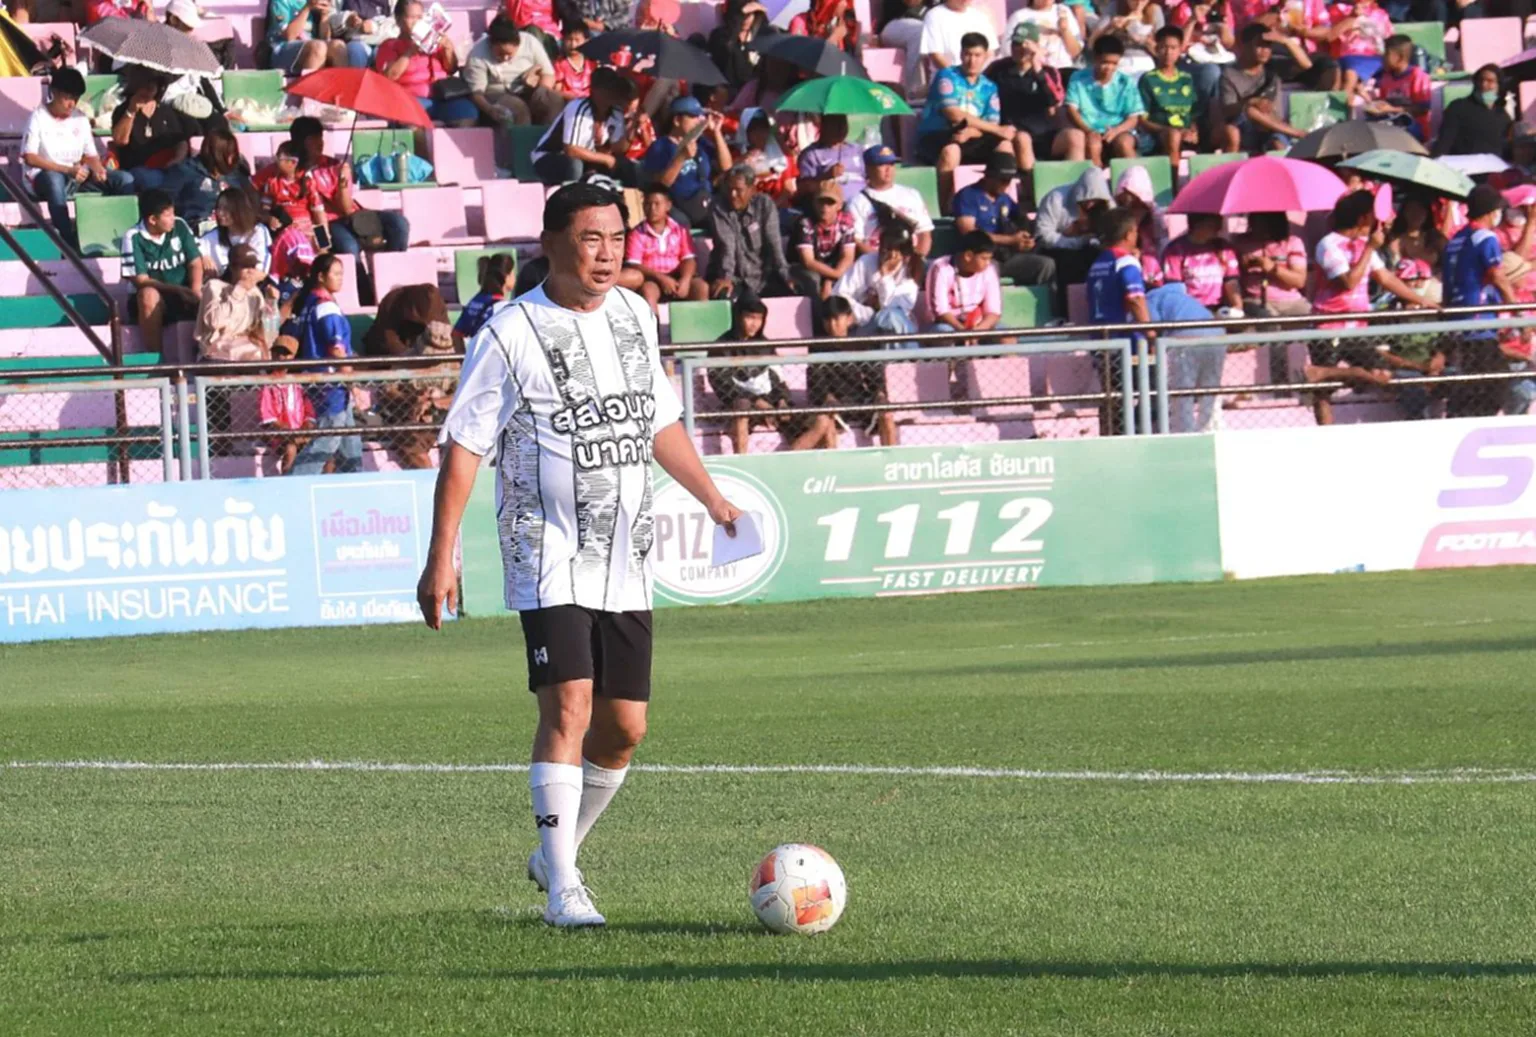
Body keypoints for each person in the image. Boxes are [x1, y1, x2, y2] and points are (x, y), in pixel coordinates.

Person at [416, 182, 743, 929]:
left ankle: (556, 852)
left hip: (627, 555)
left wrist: (713, 498)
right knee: (569, 704)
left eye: (617, 238)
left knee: (624, 729)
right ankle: (565, 886)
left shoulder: (635, 314)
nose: (607, 253)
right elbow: (464, 448)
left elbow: (658, 421)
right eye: (591, 238)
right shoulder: (509, 332)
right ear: (552, 243)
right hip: (548, 549)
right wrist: (443, 556)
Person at [1305, 189, 1435, 423]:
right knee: (1323, 394)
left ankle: (1324, 372)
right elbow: (1348, 282)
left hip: (1357, 327)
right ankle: (1326, 434)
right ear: (1363, 217)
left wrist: (1421, 300)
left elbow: (1385, 278)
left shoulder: (1364, 245)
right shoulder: (1328, 244)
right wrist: (1369, 249)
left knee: (1381, 373)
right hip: (1329, 325)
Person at [708, 293, 835, 453]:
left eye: (759, 319)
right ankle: (742, 461)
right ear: (738, 316)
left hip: (772, 403)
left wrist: (782, 400)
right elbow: (724, 387)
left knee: (823, 420)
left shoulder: (765, 345)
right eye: (750, 317)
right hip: (743, 406)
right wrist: (757, 402)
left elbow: (778, 378)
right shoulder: (720, 347)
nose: (755, 324)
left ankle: (785, 460)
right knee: (742, 406)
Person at [21, 68, 131, 250]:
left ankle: (121, 235)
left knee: (124, 179)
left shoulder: (80, 118)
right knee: (54, 179)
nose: (72, 104)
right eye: (67, 98)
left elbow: (91, 155)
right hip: (44, 178)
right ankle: (68, 240)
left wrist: (98, 169)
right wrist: (67, 170)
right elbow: (29, 157)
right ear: (54, 92)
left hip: (76, 176)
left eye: (76, 99)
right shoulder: (38, 117)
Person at [917, 32, 1028, 208]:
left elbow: (991, 123)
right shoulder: (947, 76)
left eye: (977, 55)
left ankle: (1001, 204)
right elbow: (953, 114)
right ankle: (943, 208)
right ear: (961, 55)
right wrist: (997, 130)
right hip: (938, 135)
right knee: (951, 151)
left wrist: (971, 132)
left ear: (985, 56)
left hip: (971, 137)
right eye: (968, 54)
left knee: (1005, 146)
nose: (972, 60)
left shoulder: (989, 86)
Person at [291, 116, 412, 258]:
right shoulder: (291, 174)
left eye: (320, 137)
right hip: (327, 223)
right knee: (349, 247)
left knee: (399, 223)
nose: (320, 143)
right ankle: (359, 273)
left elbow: (347, 209)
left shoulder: (335, 165)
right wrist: (323, 243)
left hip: (353, 216)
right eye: (313, 140)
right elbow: (314, 217)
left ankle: (391, 267)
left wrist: (342, 185)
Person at [289, 253, 362, 475]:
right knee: (328, 439)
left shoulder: (308, 303)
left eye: (342, 274)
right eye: (336, 274)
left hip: (321, 379)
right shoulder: (326, 307)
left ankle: (355, 481)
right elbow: (336, 348)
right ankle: (294, 482)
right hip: (331, 382)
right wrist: (353, 384)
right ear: (321, 276)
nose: (340, 278)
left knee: (350, 441)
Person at [951, 151, 1056, 288]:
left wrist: (1026, 240)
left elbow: (1022, 219)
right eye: (1003, 180)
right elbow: (969, 232)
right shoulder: (968, 196)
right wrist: (1010, 240)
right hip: (979, 257)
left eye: (1009, 180)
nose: (1006, 184)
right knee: (987, 268)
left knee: (1046, 265)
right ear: (989, 176)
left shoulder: (1004, 198)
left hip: (1005, 256)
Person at [122, 190, 203, 359]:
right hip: (156, 298)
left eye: (173, 213)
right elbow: (141, 280)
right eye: (168, 215)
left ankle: (209, 356)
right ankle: (157, 361)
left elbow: (195, 262)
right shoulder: (133, 237)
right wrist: (176, 289)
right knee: (148, 295)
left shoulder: (179, 225)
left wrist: (195, 290)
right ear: (152, 219)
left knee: (213, 289)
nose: (173, 218)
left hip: (185, 293)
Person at [807, 295, 898, 445]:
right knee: (828, 419)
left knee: (887, 415)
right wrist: (828, 399)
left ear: (849, 319)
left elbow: (875, 378)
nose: (832, 324)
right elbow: (818, 385)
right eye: (827, 320)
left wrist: (880, 395)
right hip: (836, 405)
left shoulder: (860, 345)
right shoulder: (817, 349)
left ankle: (892, 457)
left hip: (862, 403)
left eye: (837, 319)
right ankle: (832, 459)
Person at [987, 23, 1080, 168]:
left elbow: (1055, 100)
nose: (1018, 49)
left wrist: (1037, 67)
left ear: (1035, 46)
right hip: (1015, 132)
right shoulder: (998, 69)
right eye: (1015, 44)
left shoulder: (1049, 72)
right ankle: (1032, 180)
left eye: (1024, 45)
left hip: (1045, 133)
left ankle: (1075, 180)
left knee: (1076, 137)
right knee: (1023, 138)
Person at [531, 66, 639, 186]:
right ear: (595, 90)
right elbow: (571, 150)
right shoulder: (577, 107)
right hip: (551, 157)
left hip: (588, 160)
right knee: (575, 165)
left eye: (613, 88)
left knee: (627, 166)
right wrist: (606, 159)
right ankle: (573, 195)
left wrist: (632, 127)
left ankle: (630, 196)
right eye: (607, 89)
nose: (611, 93)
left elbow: (618, 149)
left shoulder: (616, 112)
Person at [376, 0, 476, 126]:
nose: (417, 22)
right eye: (412, 18)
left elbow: (451, 69)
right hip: (412, 100)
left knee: (468, 113)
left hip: (443, 96)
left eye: (420, 18)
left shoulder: (434, 42)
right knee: (411, 121)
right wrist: (409, 52)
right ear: (399, 21)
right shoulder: (390, 45)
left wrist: (448, 49)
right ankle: (422, 139)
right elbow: (389, 77)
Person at [1147, 280, 1226, 432]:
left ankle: (1183, 431)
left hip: (1186, 337)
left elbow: (1152, 328)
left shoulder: (1151, 299)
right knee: (1211, 387)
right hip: (1217, 333)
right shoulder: (1182, 297)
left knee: (1182, 390)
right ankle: (1213, 428)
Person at [1213, 24, 1304, 154]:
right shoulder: (1230, 74)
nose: (1265, 51)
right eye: (1260, 46)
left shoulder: (1273, 67)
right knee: (1250, 110)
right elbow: (1228, 109)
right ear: (1244, 46)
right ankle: (1297, 133)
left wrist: (1286, 41)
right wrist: (1251, 102)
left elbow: (1307, 66)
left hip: (1273, 125)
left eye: (1268, 46)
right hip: (1246, 128)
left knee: (1278, 144)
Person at [706, 166, 795, 299]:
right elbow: (727, 246)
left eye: (738, 190)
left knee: (797, 288)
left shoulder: (765, 204)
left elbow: (774, 244)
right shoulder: (717, 206)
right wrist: (726, 277)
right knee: (723, 293)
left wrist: (786, 276)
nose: (733, 195)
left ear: (752, 190)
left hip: (762, 275)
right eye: (729, 189)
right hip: (732, 276)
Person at [643, 96, 732, 228]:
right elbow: (661, 185)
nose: (699, 120)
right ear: (677, 120)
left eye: (699, 116)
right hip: (678, 207)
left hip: (705, 202)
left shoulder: (701, 142)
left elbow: (727, 167)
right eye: (693, 116)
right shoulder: (661, 146)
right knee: (681, 223)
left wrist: (717, 132)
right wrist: (681, 157)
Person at [111, 68, 202, 196]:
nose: (148, 89)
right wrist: (131, 111)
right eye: (144, 84)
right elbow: (120, 140)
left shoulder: (165, 111)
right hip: (137, 168)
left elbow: (180, 141)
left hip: (166, 166)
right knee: (152, 179)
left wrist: (177, 159)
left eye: (152, 85)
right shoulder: (122, 110)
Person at [462, 15, 563, 129]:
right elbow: (476, 94)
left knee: (552, 99)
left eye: (509, 54)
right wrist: (490, 109)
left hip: (530, 89)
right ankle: (522, 139)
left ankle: (551, 136)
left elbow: (548, 74)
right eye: (500, 54)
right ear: (491, 45)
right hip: (496, 94)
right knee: (517, 108)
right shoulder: (477, 55)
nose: (505, 58)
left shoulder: (530, 42)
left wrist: (541, 90)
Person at [620, 184, 709, 309]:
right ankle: (653, 321)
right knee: (648, 291)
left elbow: (688, 259)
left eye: (657, 204)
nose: (652, 208)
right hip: (652, 279)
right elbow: (634, 264)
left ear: (668, 206)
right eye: (648, 204)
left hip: (677, 276)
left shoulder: (680, 231)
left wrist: (685, 280)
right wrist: (661, 278)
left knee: (701, 287)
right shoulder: (636, 234)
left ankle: (698, 321)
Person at [835, 222, 922, 348]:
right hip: (866, 327)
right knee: (889, 318)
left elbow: (892, 309)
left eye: (898, 249)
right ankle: (912, 359)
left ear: (905, 253)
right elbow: (839, 295)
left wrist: (885, 276)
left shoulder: (911, 271)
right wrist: (868, 312)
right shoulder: (865, 262)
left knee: (892, 318)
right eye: (888, 247)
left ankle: (901, 360)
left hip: (899, 328)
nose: (892, 254)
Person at [846, 145, 935, 262]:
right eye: (882, 164)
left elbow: (924, 234)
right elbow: (857, 242)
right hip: (876, 262)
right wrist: (886, 261)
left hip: (911, 260)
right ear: (868, 168)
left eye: (892, 164)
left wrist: (917, 259)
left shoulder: (912, 195)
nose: (888, 169)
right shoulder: (856, 202)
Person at [1064, 36, 1145, 164]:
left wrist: (1116, 131)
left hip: (1119, 129)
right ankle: (1097, 175)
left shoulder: (1126, 82)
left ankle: (1136, 174)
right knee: (1093, 145)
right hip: (1088, 128)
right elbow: (1072, 109)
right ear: (1095, 58)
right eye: (1105, 62)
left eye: (1114, 64)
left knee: (1124, 144)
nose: (1109, 68)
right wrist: (1089, 131)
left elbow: (1133, 117)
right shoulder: (1078, 78)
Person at [1036, 164, 1112, 293]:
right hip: (1057, 250)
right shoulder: (1055, 199)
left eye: (1095, 200)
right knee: (1070, 263)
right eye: (1087, 199)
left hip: (1090, 248)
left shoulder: (1107, 205)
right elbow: (1042, 235)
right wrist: (1076, 241)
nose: (1090, 204)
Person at [195, 244, 275, 362]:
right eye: (245, 267)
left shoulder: (255, 293)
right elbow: (214, 321)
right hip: (215, 354)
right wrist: (239, 290)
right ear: (233, 267)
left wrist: (271, 303)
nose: (250, 271)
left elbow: (269, 333)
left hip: (247, 351)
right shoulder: (214, 286)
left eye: (253, 266)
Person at [1138, 26, 1198, 170]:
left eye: (1173, 48)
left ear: (1180, 50)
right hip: (1158, 135)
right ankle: (1173, 181)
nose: (1168, 52)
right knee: (1173, 135)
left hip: (1185, 134)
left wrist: (1193, 131)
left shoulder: (1186, 79)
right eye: (1164, 47)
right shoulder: (1148, 79)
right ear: (1156, 49)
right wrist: (1169, 130)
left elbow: (1193, 113)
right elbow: (1142, 120)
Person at [1160, 214, 1243, 315]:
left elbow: (1231, 280)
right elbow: (1174, 287)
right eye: (1212, 225)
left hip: (1218, 309)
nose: (1218, 228)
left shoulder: (1224, 248)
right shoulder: (1175, 250)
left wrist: (1237, 305)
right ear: (1198, 224)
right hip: (1190, 309)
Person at [790, 181, 858, 300]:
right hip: (804, 267)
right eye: (821, 202)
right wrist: (835, 275)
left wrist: (830, 279)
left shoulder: (846, 221)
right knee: (813, 280)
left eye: (830, 203)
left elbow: (848, 256)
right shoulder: (806, 222)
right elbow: (808, 261)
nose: (824, 207)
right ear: (814, 202)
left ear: (839, 205)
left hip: (833, 266)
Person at [259, 338, 316, 475]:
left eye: (285, 354)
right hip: (278, 435)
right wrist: (290, 433)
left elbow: (309, 414)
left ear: (293, 357)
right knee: (290, 448)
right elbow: (269, 419)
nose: (280, 357)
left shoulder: (298, 383)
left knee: (325, 451)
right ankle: (288, 481)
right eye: (277, 352)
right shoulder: (267, 384)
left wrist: (305, 430)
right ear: (272, 354)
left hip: (300, 432)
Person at [182, 127, 252, 231]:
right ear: (217, 154)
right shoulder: (186, 171)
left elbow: (250, 203)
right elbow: (166, 204)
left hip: (233, 227)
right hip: (199, 229)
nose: (232, 157)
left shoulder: (237, 173)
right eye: (229, 153)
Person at [1435, 65, 1513, 159]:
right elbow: (1444, 143)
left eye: (1490, 81)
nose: (1484, 84)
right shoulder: (1458, 107)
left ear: (1499, 86)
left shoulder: (1502, 116)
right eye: (1480, 80)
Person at [266, 0, 365, 73]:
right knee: (318, 47)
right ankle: (308, 95)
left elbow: (325, 39)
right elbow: (289, 36)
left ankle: (340, 92)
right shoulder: (281, 2)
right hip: (281, 50)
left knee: (338, 46)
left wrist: (324, 16)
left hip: (310, 48)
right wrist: (307, 8)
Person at [199, 188, 274, 281]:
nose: (220, 213)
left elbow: (262, 272)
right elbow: (195, 244)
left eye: (226, 208)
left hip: (249, 285)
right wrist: (203, 256)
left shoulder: (258, 232)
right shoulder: (216, 234)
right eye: (219, 207)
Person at [1366, 34, 1430, 142]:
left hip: (1411, 126)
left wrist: (1391, 109)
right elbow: (1384, 103)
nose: (1382, 58)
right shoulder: (1386, 77)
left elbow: (1423, 109)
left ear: (1400, 58)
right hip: (1389, 122)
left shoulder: (1417, 76)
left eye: (1386, 54)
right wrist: (1373, 103)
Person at [796, 114, 867, 200]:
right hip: (831, 204)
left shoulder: (857, 149)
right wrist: (826, 176)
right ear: (824, 125)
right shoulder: (811, 154)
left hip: (863, 202)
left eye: (843, 123)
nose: (841, 128)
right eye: (835, 124)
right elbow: (804, 189)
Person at [919, 0, 998, 77]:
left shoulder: (979, 16)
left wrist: (976, 78)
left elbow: (989, 53)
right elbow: (936, 56)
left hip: (979, 78)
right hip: (947, 79)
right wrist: (960, 79)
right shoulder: (934, 15)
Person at [1088, 0, 1163, 77]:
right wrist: (1110, 27)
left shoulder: (1154, 10)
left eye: (1143, 1)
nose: (1139, 4)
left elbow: (1161, 50)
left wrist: (1143, 40)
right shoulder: (1115, 7)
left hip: (1145, 61)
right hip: (1120, 60)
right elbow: (1092, 43)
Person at [1004, 0, 1083, 73]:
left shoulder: (1064, 11)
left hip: (1063, 71)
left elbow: (1076, 53)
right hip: (1032, 73)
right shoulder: (1019, 16)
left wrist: (1064, 30)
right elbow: (1007, 51)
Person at [455, 253, 515, 349]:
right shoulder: (502, 307)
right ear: (506, 276)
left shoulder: (475, 300)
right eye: (512, 273)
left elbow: (457, 333)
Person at [1329, 0, 1391, 94]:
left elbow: (1388, 38)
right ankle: (1345, 98)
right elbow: (1330, 36)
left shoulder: (1381, 13)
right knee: (1351, 72)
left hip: (1376, 57)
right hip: (1350, 57)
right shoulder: (1339, 9)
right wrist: (1352, 17)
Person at [552, 22, 592, 100]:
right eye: (569, 40)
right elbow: (556, 91)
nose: (573, 44)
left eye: (577, 40)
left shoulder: (592, 63)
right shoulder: (559, 64)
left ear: (586, 41)